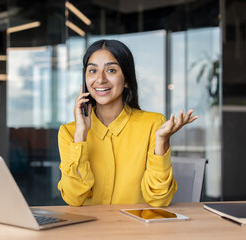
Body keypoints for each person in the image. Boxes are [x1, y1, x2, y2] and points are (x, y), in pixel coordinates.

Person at [57, 39, 198, 207]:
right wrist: (80, 136)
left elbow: (158, 199)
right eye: (92, 71)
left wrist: (161, 142)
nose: (100, 79)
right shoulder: (69, 132)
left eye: (111, 70)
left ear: (126, 80)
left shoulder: (153, 124)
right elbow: (74, 198)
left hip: (137, 230)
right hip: (90, 231)